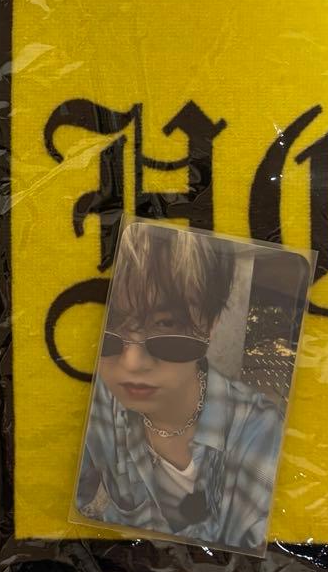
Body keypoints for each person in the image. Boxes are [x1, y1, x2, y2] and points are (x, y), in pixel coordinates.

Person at [75, 222, 283, 552]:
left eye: (166, 324)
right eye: (110, 324)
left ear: (210, 324)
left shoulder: (260, 432)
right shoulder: (97, 400)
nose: (132, 362)